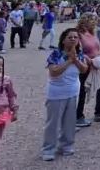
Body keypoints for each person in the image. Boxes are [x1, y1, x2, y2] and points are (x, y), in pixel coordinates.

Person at [42, 29, 88, 161]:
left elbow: (84, 69)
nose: (73, 39)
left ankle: (66, 145)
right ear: (63, 40)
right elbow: (54, 72)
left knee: (69, 122)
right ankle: (48, 149)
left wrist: (76, 60)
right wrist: (69, 60)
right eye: (70, 37)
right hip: (56, 93)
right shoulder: (56, 54)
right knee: (53, 123)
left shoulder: (79, 54)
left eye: (75, 37)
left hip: (73, 92)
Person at [75, 13, 100, 128]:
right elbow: (77, 50)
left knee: (84, 91)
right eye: (92, 20)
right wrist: (89, 59)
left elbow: (98, 46)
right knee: (80, 91)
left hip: (93, 66)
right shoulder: (78, 34)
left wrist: (99, 57)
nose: (95, 22)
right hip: (83, 66)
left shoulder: (92, 33)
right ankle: (77, 116)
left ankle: (79, 114)